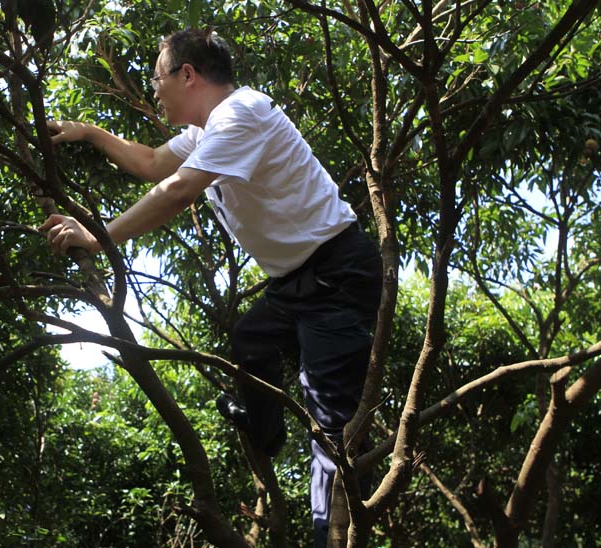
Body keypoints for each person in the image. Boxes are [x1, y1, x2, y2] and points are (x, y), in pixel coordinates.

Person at [40, 28, 382, 548]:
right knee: (250, 340)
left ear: (188, 75)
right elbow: (151, 163)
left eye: (157, 77)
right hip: (295, 280)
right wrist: (88, 132)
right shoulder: (207, 130)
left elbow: (177, 190)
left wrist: (95, 237)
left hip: (335, 275)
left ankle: (332, 537)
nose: (154, 89)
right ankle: (266, 432)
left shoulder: (241, 113)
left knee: (332, 426)